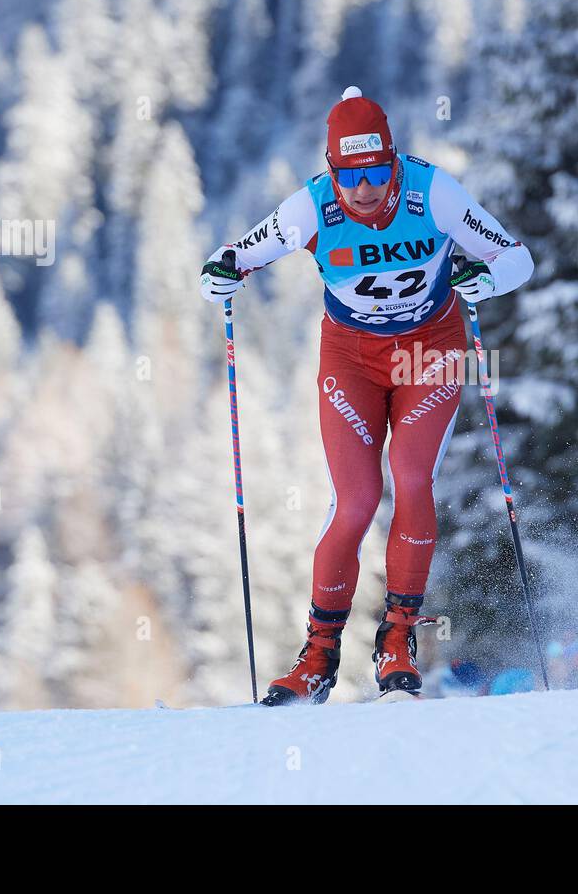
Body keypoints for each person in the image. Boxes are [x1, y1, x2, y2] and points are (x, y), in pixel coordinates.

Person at [199, 87, 534, 705]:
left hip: (427, 350)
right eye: (350, 176)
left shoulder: (433, 192)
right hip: (350, 357)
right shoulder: (311, 207)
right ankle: (318, 655)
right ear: (332, 171)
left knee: (411, 478)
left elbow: (518, 258)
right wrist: (221, 272)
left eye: (377, 172)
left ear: (394, 161)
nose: (364, 190)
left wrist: (484, 276)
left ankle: (398, 637)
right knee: (355, 502)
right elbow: (237, 257)